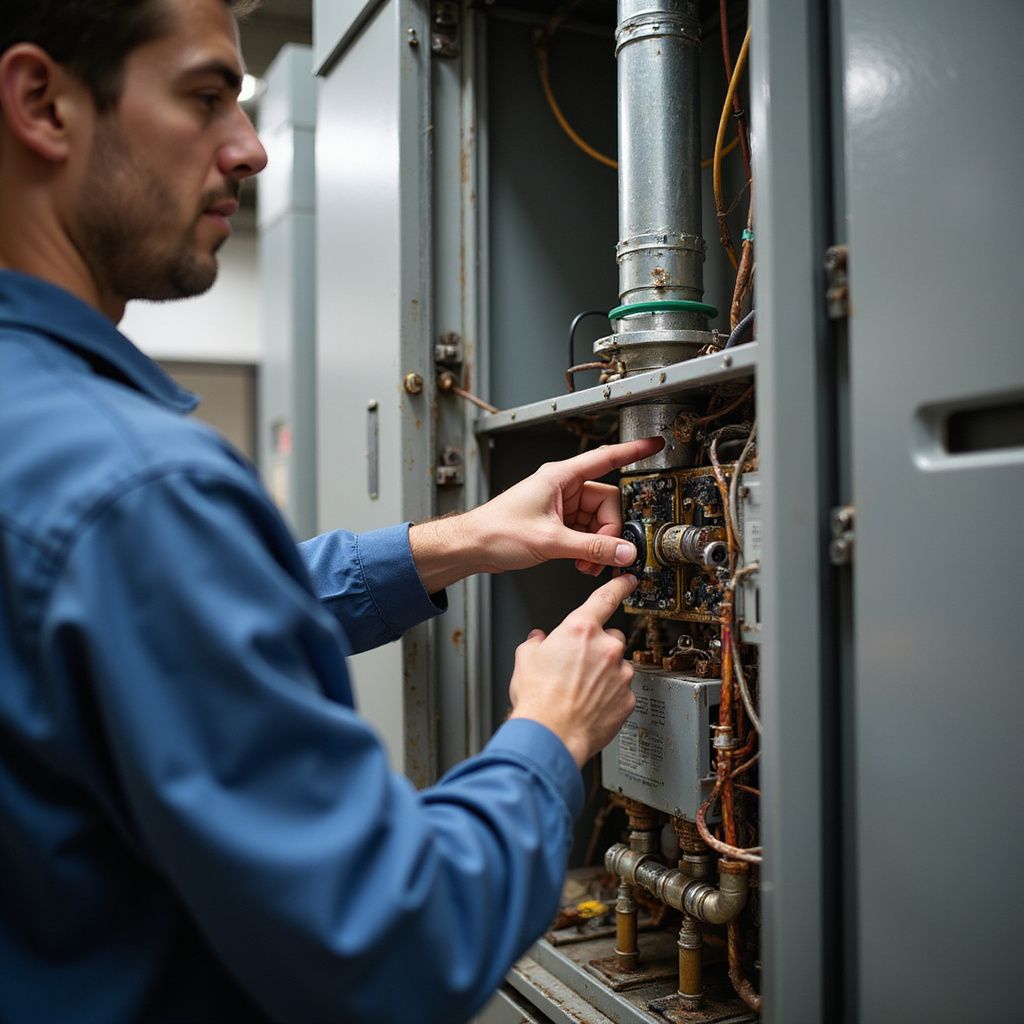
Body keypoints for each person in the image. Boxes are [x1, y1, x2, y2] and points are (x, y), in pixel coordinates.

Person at [0, 1, 663, 1021]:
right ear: (43, 103)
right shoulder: (136, 486)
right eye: (206, 96)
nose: (252, 147)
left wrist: (465, 538)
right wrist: (548, 732)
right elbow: (396, 943)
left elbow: (165, 622)